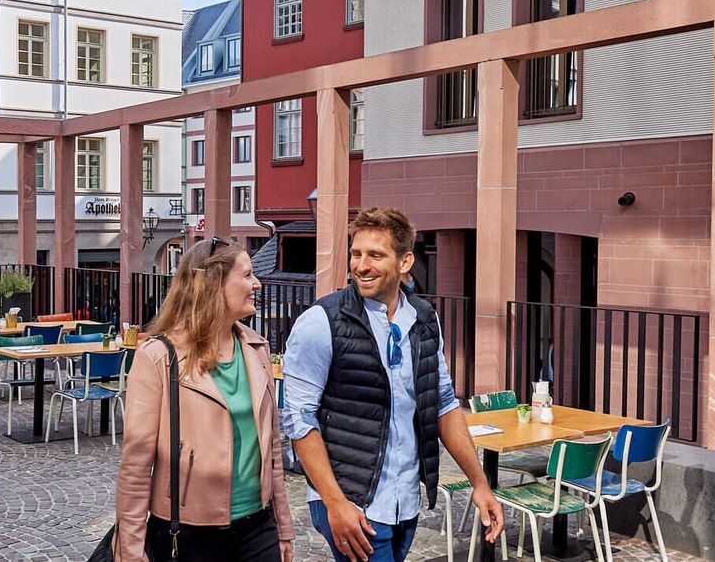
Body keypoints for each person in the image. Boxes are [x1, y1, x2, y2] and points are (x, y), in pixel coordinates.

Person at [281, 207, 503, 562]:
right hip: (352, 501)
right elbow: (299, 420)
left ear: (405, 262)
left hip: (404, 502)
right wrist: (334, 503)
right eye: (356, 254)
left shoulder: (424, 319)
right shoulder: (320, 322)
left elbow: (443, 403)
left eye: (375, 255)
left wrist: (479, 482)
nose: (361, 265)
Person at [115, 237, 294, 562]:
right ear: (213, 283)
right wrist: (129, 549)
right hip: (187, 531)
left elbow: (272, 450)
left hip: (259, 526)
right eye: (247, 275)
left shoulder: (257, 349)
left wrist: (283, 528)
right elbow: (136, 465)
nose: (257, 284)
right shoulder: (158, 356)